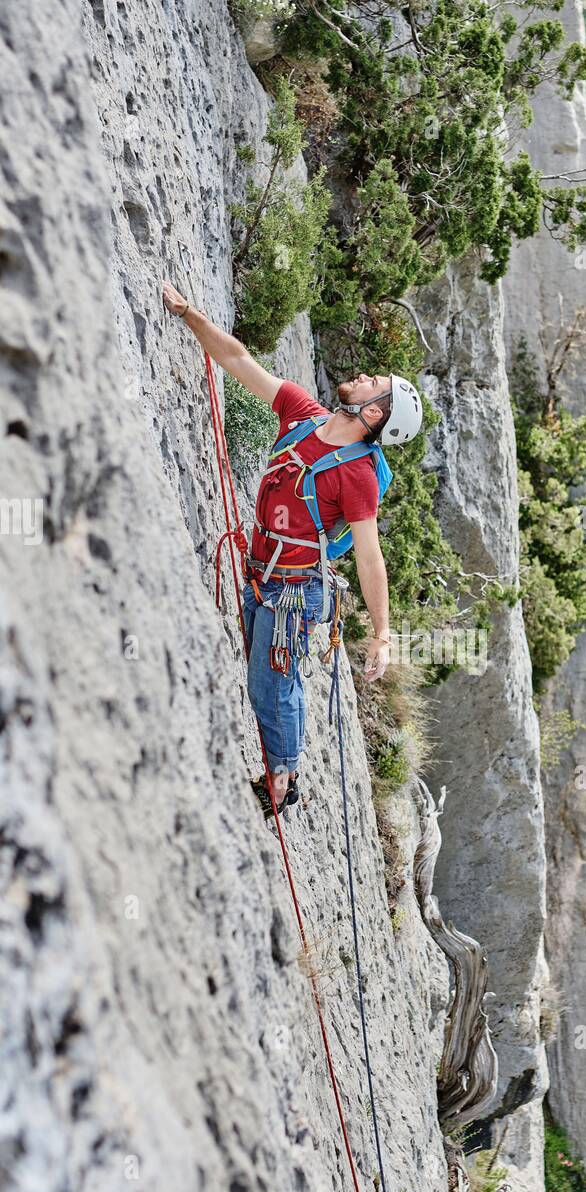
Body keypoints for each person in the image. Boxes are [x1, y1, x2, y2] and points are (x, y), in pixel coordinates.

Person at [161, 279, 422, 819]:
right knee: (266, 674)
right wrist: (190, 315)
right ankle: (282, 767)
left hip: (293, 591)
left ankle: (283, 779)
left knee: (272, 683)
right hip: (264, 573)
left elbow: (370, 558)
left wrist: (381, 635)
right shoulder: (304, 414)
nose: (361, 378)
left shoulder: (357, 476)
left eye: (374, 383)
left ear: (375, 414)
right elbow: (239, 361)